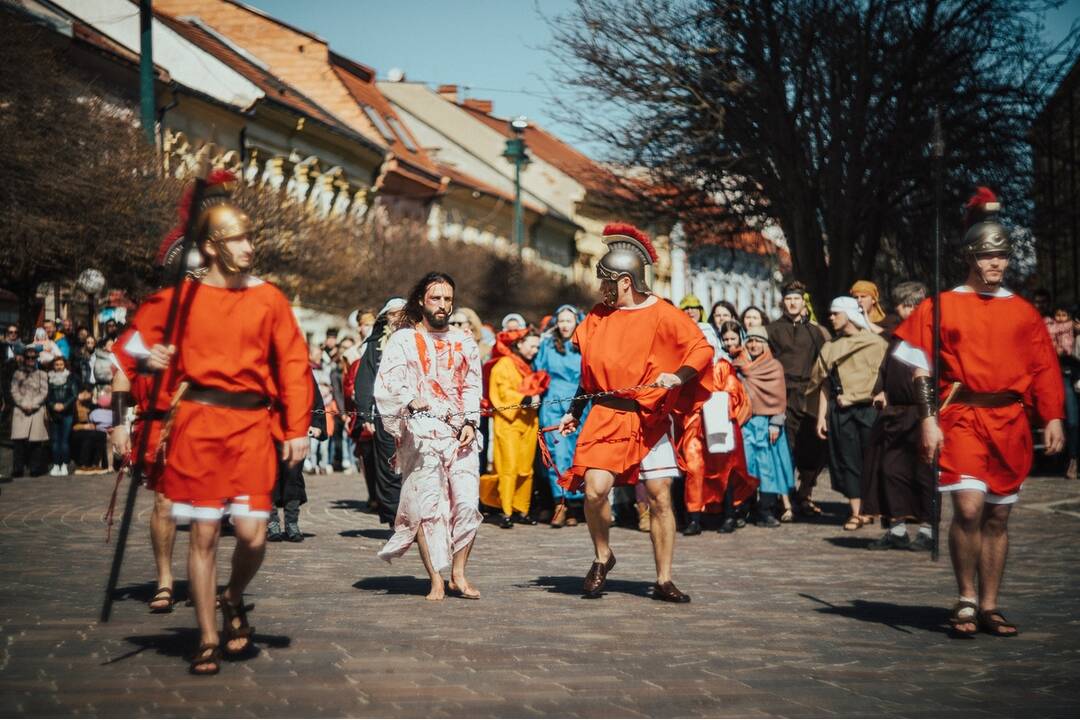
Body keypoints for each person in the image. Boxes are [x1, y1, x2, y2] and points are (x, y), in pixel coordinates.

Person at [137, 171, 313, 674]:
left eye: (249, 237)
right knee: (205, 535)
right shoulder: (181, 300)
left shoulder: (269, 298)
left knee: (255, 535)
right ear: (212, 246)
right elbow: (127, 347)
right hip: (198, 423)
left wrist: (297, 426)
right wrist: (151, 355)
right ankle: (207, 636)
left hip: (253, 427)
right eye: (237, 238)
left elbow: (294, 364)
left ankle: (233, 595)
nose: (248, 247)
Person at [895, 188, 1064, 637]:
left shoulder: (1024, 313)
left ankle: (991, 604)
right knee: (968, 508)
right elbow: (921, 369)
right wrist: (929, 420)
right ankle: (966, 598)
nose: (997, 265)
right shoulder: (941, 305)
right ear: (971, 257)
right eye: (989, 257)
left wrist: (1053, 416)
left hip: (1009, 422)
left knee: (998, 515)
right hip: (963, 416)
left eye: (1003, 257)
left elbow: (1044, 366)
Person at [558, 223, 713, 603]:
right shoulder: (596, 317)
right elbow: (589, 374)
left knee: (660, 494)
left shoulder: (663, 313)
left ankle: (663, 579)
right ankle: (603, 556)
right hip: (605, 415)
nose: (601, 290)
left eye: (606, 283)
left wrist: (677, 377)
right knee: (594, 491)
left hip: (648, 418)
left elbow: (701, 349)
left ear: (626, 281)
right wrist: (575, 411)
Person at [373, 272, 483, 601]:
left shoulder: (464, 340)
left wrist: (470, 423)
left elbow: (472, 384)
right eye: (436, 298)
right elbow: (388, 383)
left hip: (458, 433)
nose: (442, 305)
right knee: (428, 507)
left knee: (466, 503)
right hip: (420, 435)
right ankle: (436, 577)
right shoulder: (403, 340)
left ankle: (459, 574)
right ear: (422, 300)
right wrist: (410, 399)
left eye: (448, 299)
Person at [862, 281, 935, 551]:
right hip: (895, 413)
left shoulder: (929, 334)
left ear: (914, 306)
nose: (898, 310)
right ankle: (897, 528)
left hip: (921, 413)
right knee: (891, 470)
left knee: (923, 472)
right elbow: (886, 368)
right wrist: (880, 391)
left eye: (903, 306)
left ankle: (928, 529)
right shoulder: (899, 336)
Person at [808, 296, 887, 530]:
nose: (831, 318)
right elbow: (823, 383)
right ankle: (856, 511)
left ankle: (871, 507)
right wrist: (821, 416)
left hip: (870, 410)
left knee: (872, 460)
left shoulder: (876, 343)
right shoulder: (831, 347)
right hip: (842, 411)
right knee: (848, 460)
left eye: (836, 313)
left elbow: (888, 375)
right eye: (830, 314)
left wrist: (884, 395)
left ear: (849, 315)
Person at [675, 331, 756, 535]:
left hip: (718, 425)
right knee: (694, 469)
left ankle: (728, 515)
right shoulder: (686, 370)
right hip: (693, 426)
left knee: (725, 470)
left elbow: (735, 392)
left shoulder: (722, 366)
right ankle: (693, 517)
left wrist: (717, 403)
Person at [767, 281, 830, 516]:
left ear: (804, 302)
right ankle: (784, 497)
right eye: (789, 299)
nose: (793, 303)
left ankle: (806, 493)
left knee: (812, 446)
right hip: (782, 393)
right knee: (786, 447)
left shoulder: (815, 333)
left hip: (809, 394)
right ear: (783, 302)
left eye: (797, 299)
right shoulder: (772, 329)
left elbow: (824, 363)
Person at [479, 328, 546, 527]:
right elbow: (500, 392)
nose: (535, 350)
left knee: (526, 468)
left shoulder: (530, 365)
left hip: (528, 422)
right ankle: (505, 510)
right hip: (508, 423)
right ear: (519, 344)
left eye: (537, 346)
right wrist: (524, 398)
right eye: (532, 345)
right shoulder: (504, 364)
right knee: (507, 466)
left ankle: (522, 508)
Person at [734, 326, 795, 526]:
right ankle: (744, 509)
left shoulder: (774, 366)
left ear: (765, 344)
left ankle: (766, 511)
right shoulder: (738, 365)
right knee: (746, 468)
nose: (753, 344)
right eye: (750, 340)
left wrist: (776, 423)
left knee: (767, 469)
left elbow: (778, 396)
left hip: (767, 424)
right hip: (744, 423)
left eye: (758, 340)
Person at [534, 305, 588, 527]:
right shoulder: (548, 345)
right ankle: (560, 503)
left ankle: (575, 506)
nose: (565, 325)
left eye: (569, 320)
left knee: (578, 454)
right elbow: (538, 372)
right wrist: (536, 393)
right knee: (557, 452)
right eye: (562, 320)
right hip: (553, 403)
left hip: (578, 402)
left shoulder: (584, 344)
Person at [355, 297, 407, 525]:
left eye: (401, 313)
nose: (396, 318)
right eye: (392, 314)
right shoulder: (375, 344)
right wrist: (366, 413)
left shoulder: (417, 339)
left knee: (413, 466)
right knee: (388, 464)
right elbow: (364, 379)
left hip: (413, 413)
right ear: (386, 317)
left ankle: (414, 516)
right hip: (383, 413)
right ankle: (394, 516)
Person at [268, 374, 325, 543]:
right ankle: (272, 522)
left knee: (293, 477)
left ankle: (292, 523)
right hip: (266, 430)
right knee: (269, 478)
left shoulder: (300, 366)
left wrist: (317, 424)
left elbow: (313, 396)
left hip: (295, 430)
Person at [1046, 304, 1078, 479]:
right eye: (1057, 314)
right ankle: (1070, 458)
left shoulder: (1074, 329)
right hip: (1062, 375)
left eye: (1063, 315)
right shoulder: (1049, 328)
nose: (1060, 318)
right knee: (1070, 421)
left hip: (1073, 374)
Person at [11, 347, 49, 477]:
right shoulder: (17, 374)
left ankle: (35, 468)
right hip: (20, 410)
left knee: (36, 442)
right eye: (28, 358)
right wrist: (23, 404)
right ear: (24, 358)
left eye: (33, 358)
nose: (31, 360)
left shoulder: (42, 375)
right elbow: (14, 391)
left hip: (36, 409)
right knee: (18, 442)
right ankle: (18, 468)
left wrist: (33, 405)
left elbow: (44, 392)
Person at [45, 355, 78, 476]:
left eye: (61, 364)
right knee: (55, 441)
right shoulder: (48, 378)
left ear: (65, 365)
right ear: (53, 365)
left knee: (64, 441)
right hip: (53, 413)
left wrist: (64, 405)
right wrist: (53, 405)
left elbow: (74, 394)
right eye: (56, 364)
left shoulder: (70, 377)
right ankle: (55, 464)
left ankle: (64, 464)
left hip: (67, 412)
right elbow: (46, 395)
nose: (59, 367)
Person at [680, 294, 723, 360]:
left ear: (700, 310)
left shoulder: (708, 329)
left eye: (693, 307)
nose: (690, 311)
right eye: (686, 308)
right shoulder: (677, 332)